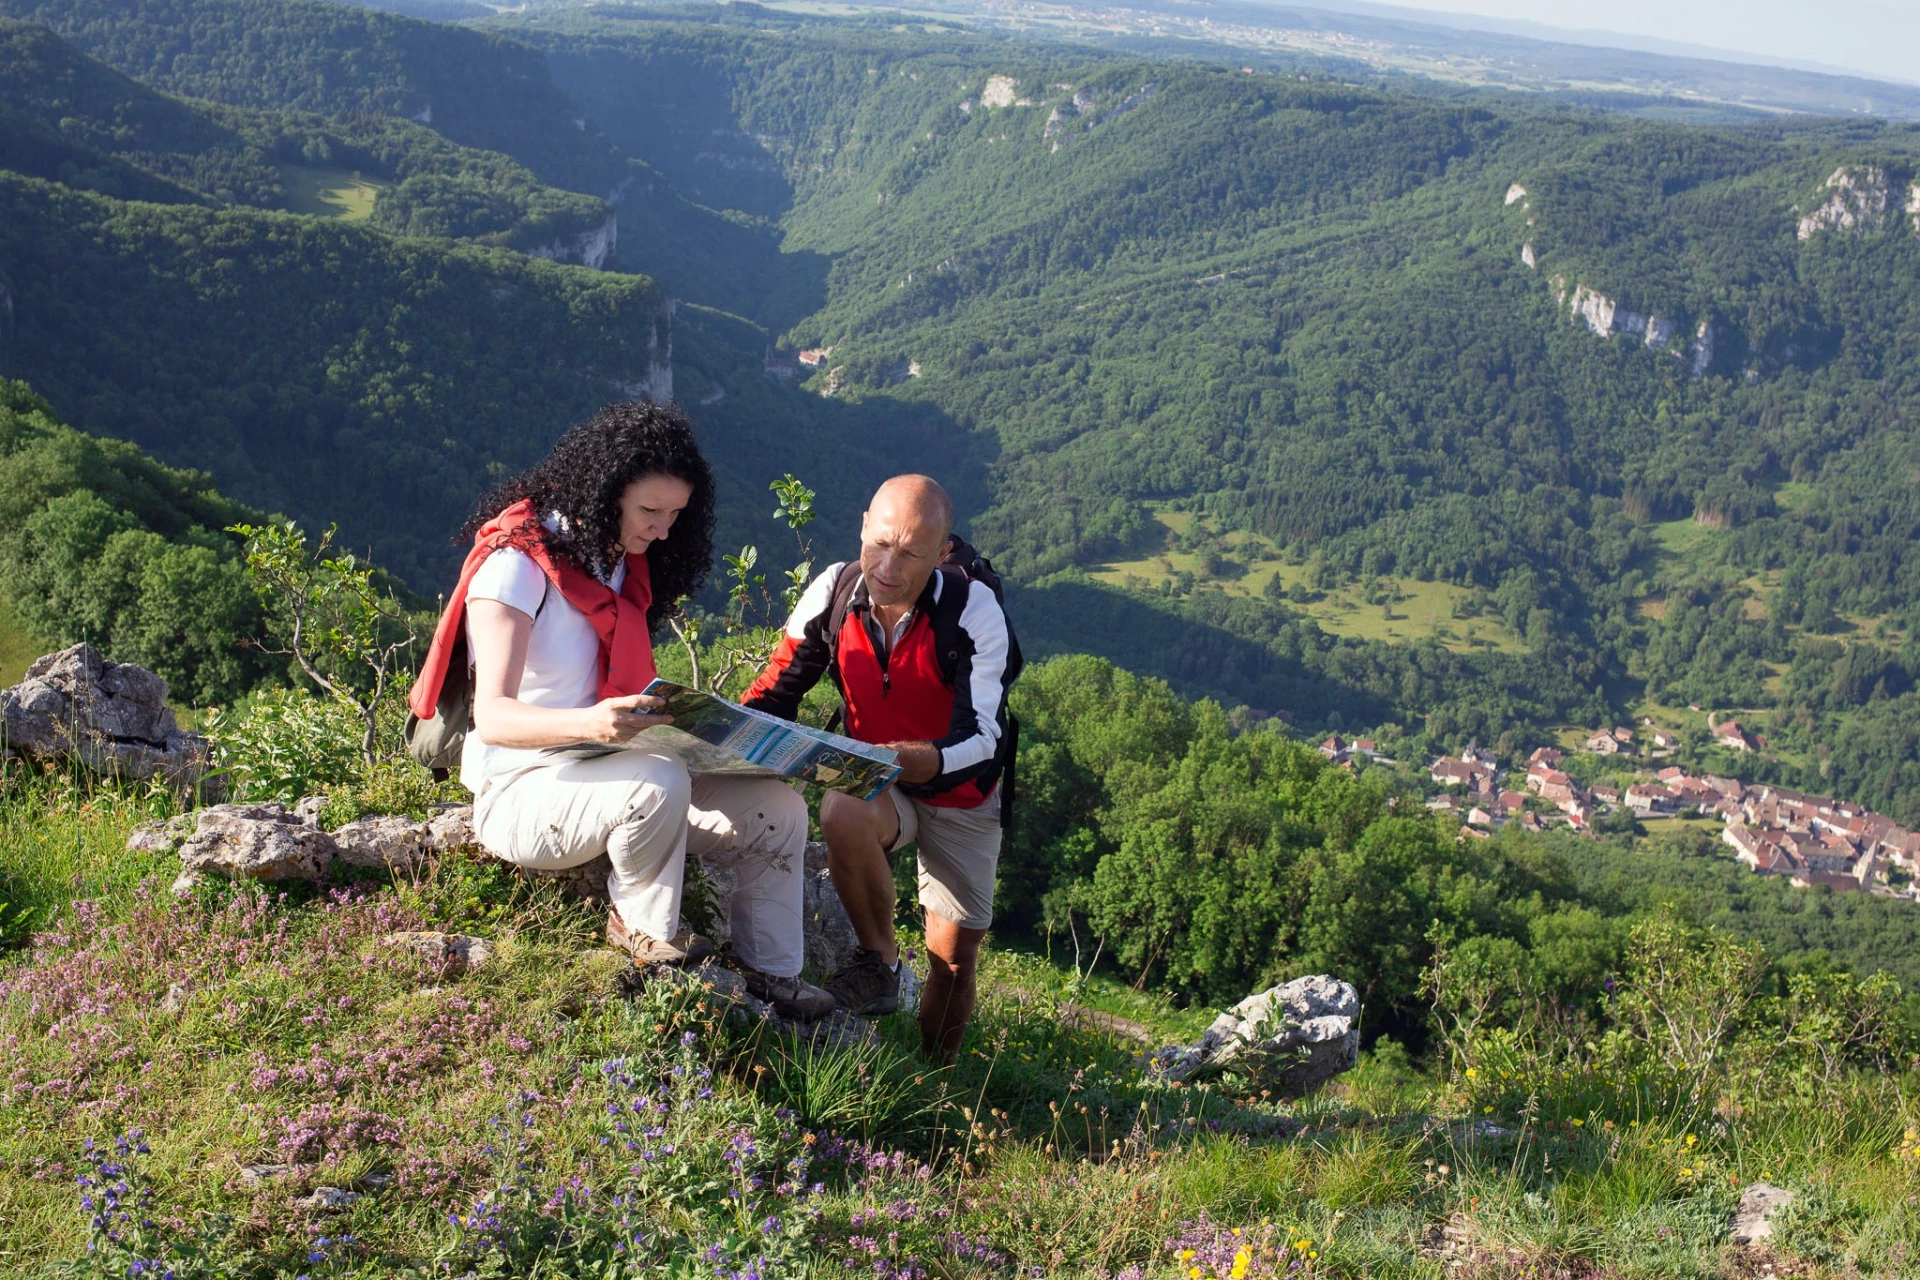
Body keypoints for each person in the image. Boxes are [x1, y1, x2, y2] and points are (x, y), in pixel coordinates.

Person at [408, 401, 834, 1020]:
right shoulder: (514, 569)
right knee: (659, 778)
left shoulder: (617, 567)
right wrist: (595, 722)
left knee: (780, 809)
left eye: (676, 515)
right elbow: (494, 716)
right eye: (650, 511)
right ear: (605, 492)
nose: (663, 530)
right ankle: (644, 935)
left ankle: (772, 973)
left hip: (613, 772)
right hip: (522, 791)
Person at [742, 475, 1015, 1062]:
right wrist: (719, 736)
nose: (889, 565)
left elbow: (985, 739)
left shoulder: (973, 609)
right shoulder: (836, 591)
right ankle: (880, 964)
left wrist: (900, 758)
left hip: (961, 791)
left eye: (913, 552)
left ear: (943, 554)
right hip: (876, 778)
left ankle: (937, 1070)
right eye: (881, 543)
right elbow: (774, 689)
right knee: (841, 808)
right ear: (864, 524)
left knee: (952, 959)